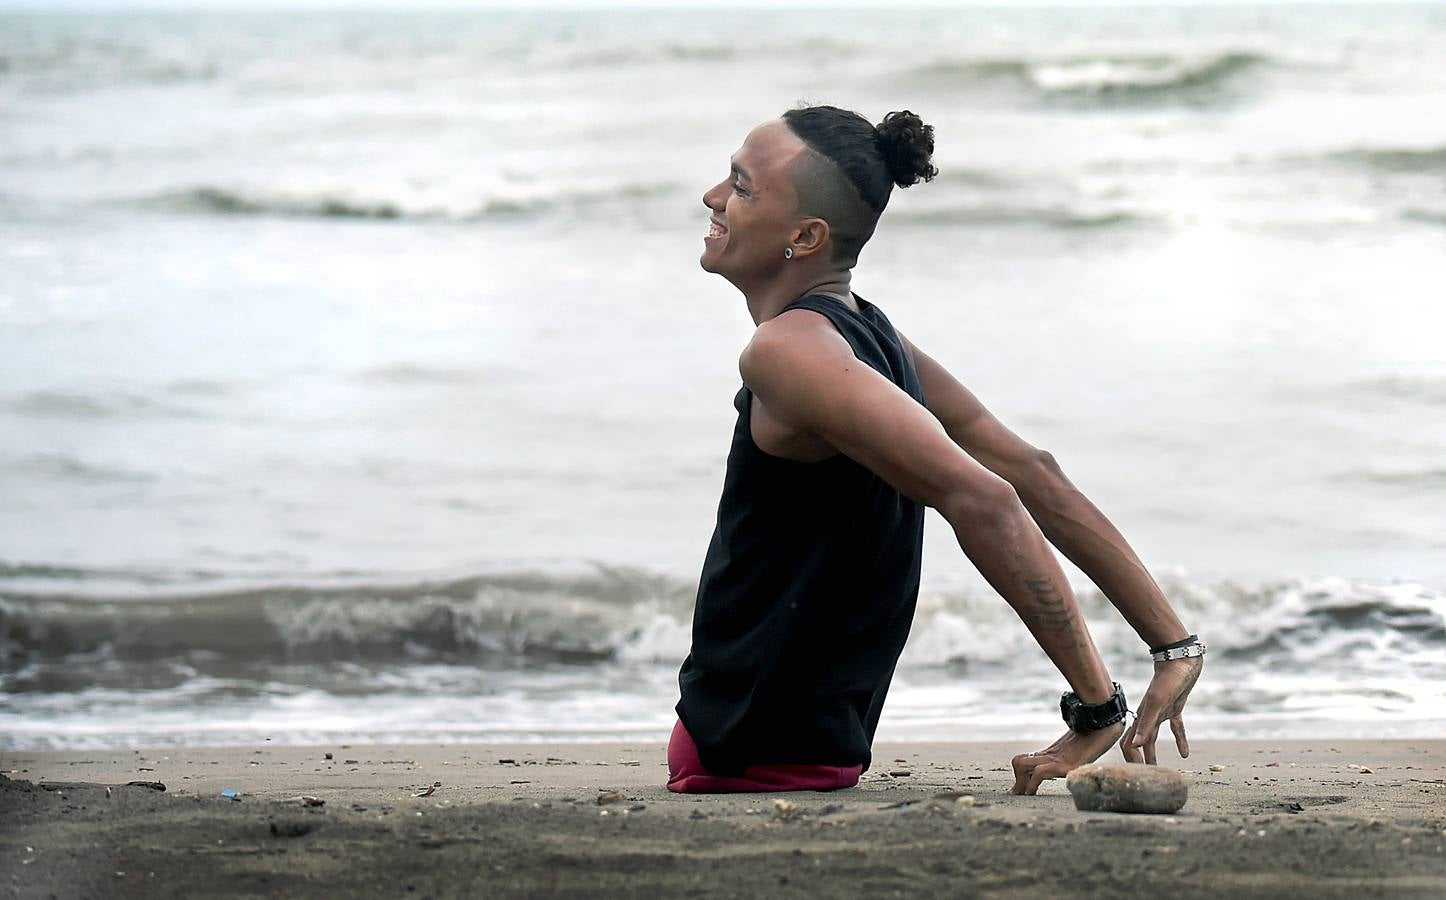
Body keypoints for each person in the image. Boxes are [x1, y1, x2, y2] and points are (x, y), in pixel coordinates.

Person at [669, 104, 1204, 796]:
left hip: (746, 747)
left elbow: (989, 496)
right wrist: (1174, 645)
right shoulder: (868, 336)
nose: (714, 196)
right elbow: (1029, 470)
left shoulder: (789, 351)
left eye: (741, 186)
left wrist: (1098, 706)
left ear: (805, 235)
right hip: (813, 742)